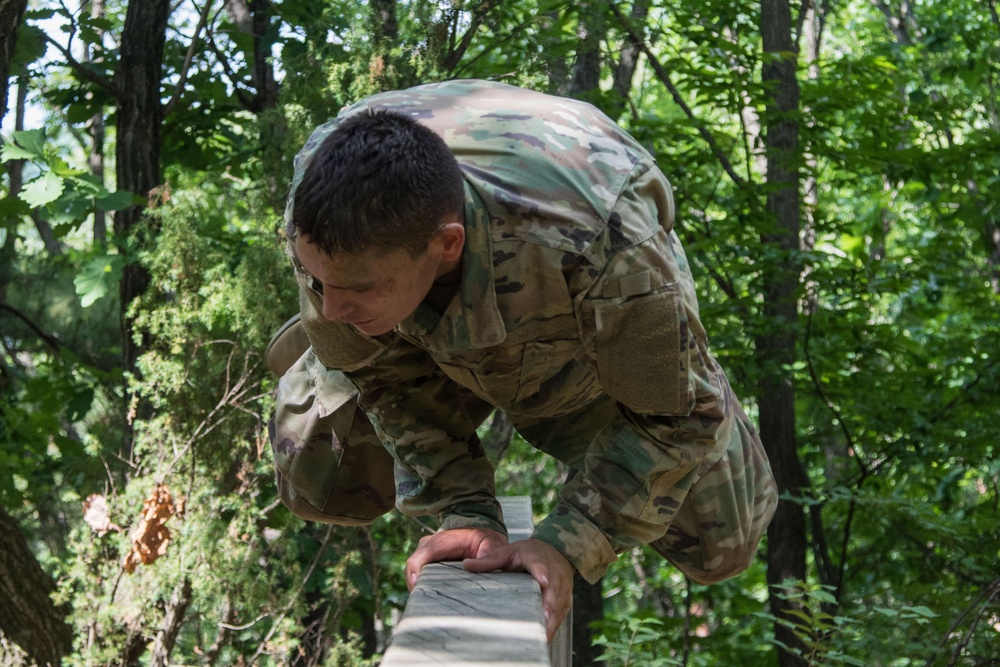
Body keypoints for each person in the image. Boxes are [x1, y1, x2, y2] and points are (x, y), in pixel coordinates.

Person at [266, 78, 777, 641]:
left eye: (356, 287)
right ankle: (372, 331)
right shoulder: (319, 207)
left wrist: (566, 542)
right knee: (323, 477)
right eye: (319, 283)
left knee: (719, 543)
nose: (331, 305)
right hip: (419, 328)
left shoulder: (604, 240)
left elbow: (677, 421)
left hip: (575, 345)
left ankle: (674, 359)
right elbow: (378, 379)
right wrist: (462, 510)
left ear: (448, 244)